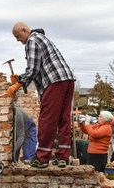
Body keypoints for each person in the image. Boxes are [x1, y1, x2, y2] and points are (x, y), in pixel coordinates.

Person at [7, 22, 76, 168]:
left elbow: (33, 68)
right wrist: (21, 79)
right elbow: (38, 67)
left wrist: (18, 84)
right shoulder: (42, 38)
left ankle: (42, 158)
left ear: (25, 30)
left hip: (54, 81)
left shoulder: (32, 40)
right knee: (64, 119)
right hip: (67, 79)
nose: (17, 40)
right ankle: (63, 157)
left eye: (18, 36)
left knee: (47, 119)